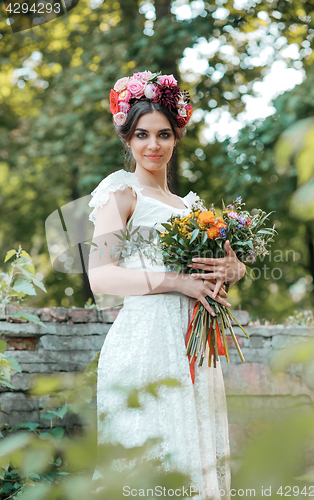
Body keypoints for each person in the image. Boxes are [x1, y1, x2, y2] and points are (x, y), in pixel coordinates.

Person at [88, 71, 246, 499]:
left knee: (194, 459)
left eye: (163, 134)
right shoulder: (121, 195)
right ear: (127, 139)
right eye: (141, 135)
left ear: (176, 138)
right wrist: (178, 282)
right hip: (144, 342)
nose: (152, 145)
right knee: (153, 459)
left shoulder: (190, 208)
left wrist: (232, 271)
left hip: (192, 343)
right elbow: (101, 275)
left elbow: (222, 266)